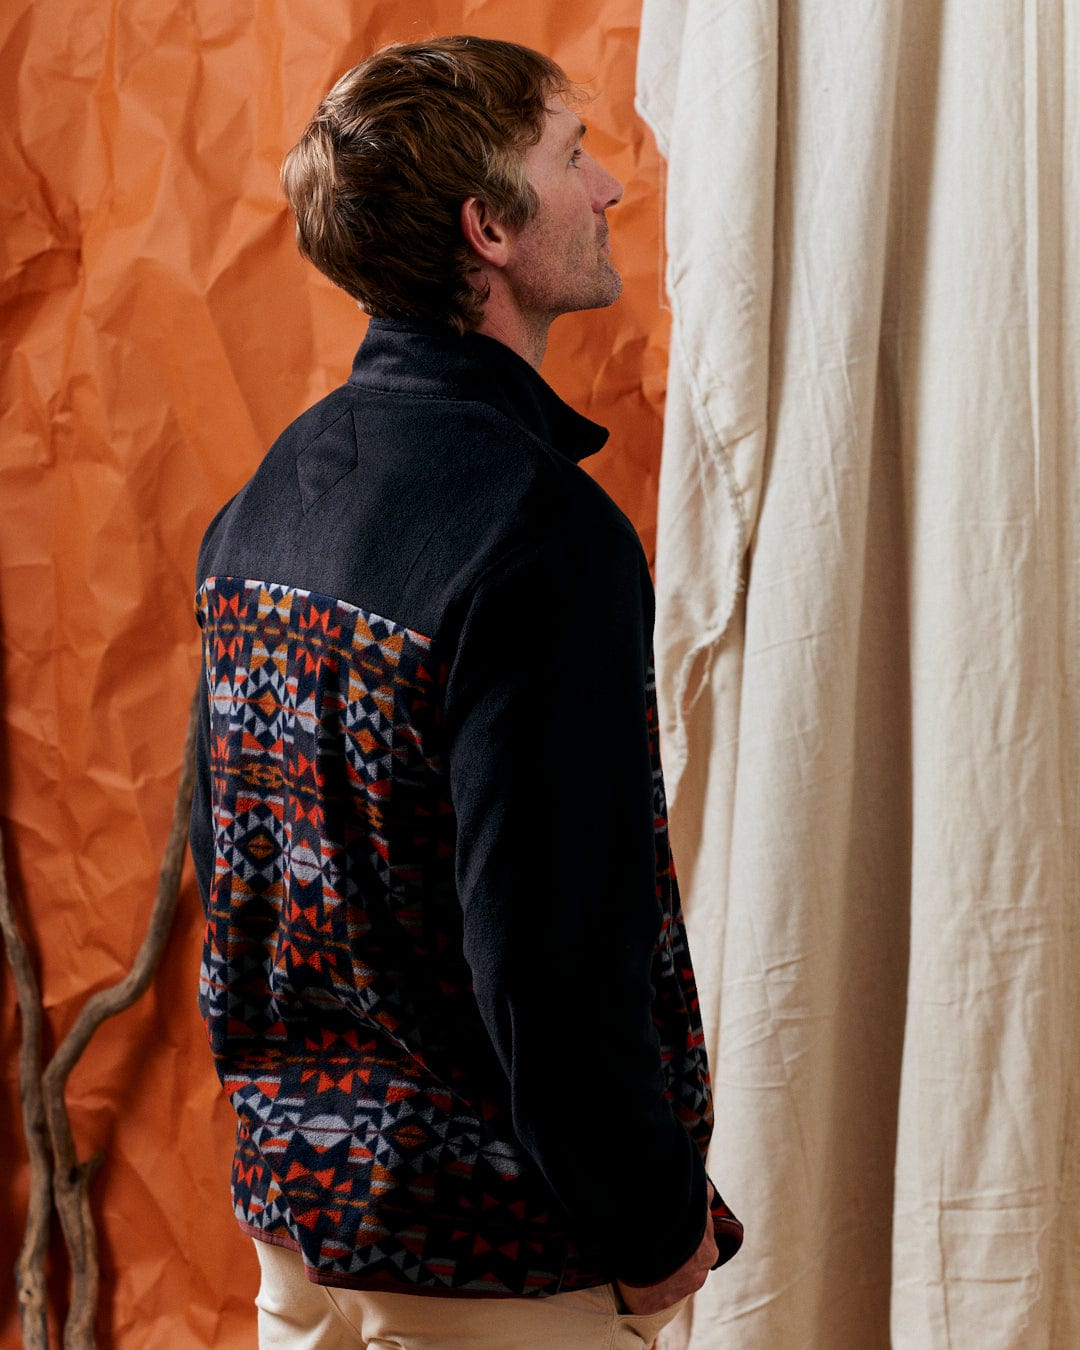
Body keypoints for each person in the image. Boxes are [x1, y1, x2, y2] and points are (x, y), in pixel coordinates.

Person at [189, 35, 742, 1349]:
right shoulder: (542, 539)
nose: (609, 186)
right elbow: (548, 957)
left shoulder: (269, 496)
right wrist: (654, 1220)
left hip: (296, 1232)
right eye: (570, 156)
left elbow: (237, 880)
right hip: (486, 1268)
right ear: (488, 226)